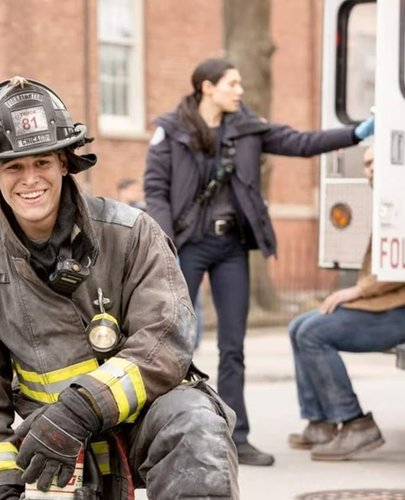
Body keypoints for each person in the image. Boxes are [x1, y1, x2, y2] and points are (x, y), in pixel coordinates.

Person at [0, 76, 239, 500]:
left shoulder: (131, 233)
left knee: (193, 420)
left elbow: (166, 342)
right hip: (54, 445)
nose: (31, 179)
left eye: (42, 162)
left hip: (144, 421)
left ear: (64, 163)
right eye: (14, 166)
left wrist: (82, 408)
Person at [143, 58, 375, 466]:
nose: (240, 91)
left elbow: (301, 143)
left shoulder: (248, 129)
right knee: (173, 342)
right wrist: (165, 244)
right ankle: (173, 436)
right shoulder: (171, 131)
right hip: (188, 246)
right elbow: (156, 190)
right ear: (207, 87)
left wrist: (356, 133)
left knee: (233, 347)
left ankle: (237, 437)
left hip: (232, 246)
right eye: (233, 83)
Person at [287, 147, 405, 461]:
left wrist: (357, 291)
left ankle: (354, 422)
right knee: (298, 327)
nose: (368, 171)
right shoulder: (394, 200)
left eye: (375, 163)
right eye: (366, 165)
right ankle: (320, 422)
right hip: (399, 300)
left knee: (314, 333)